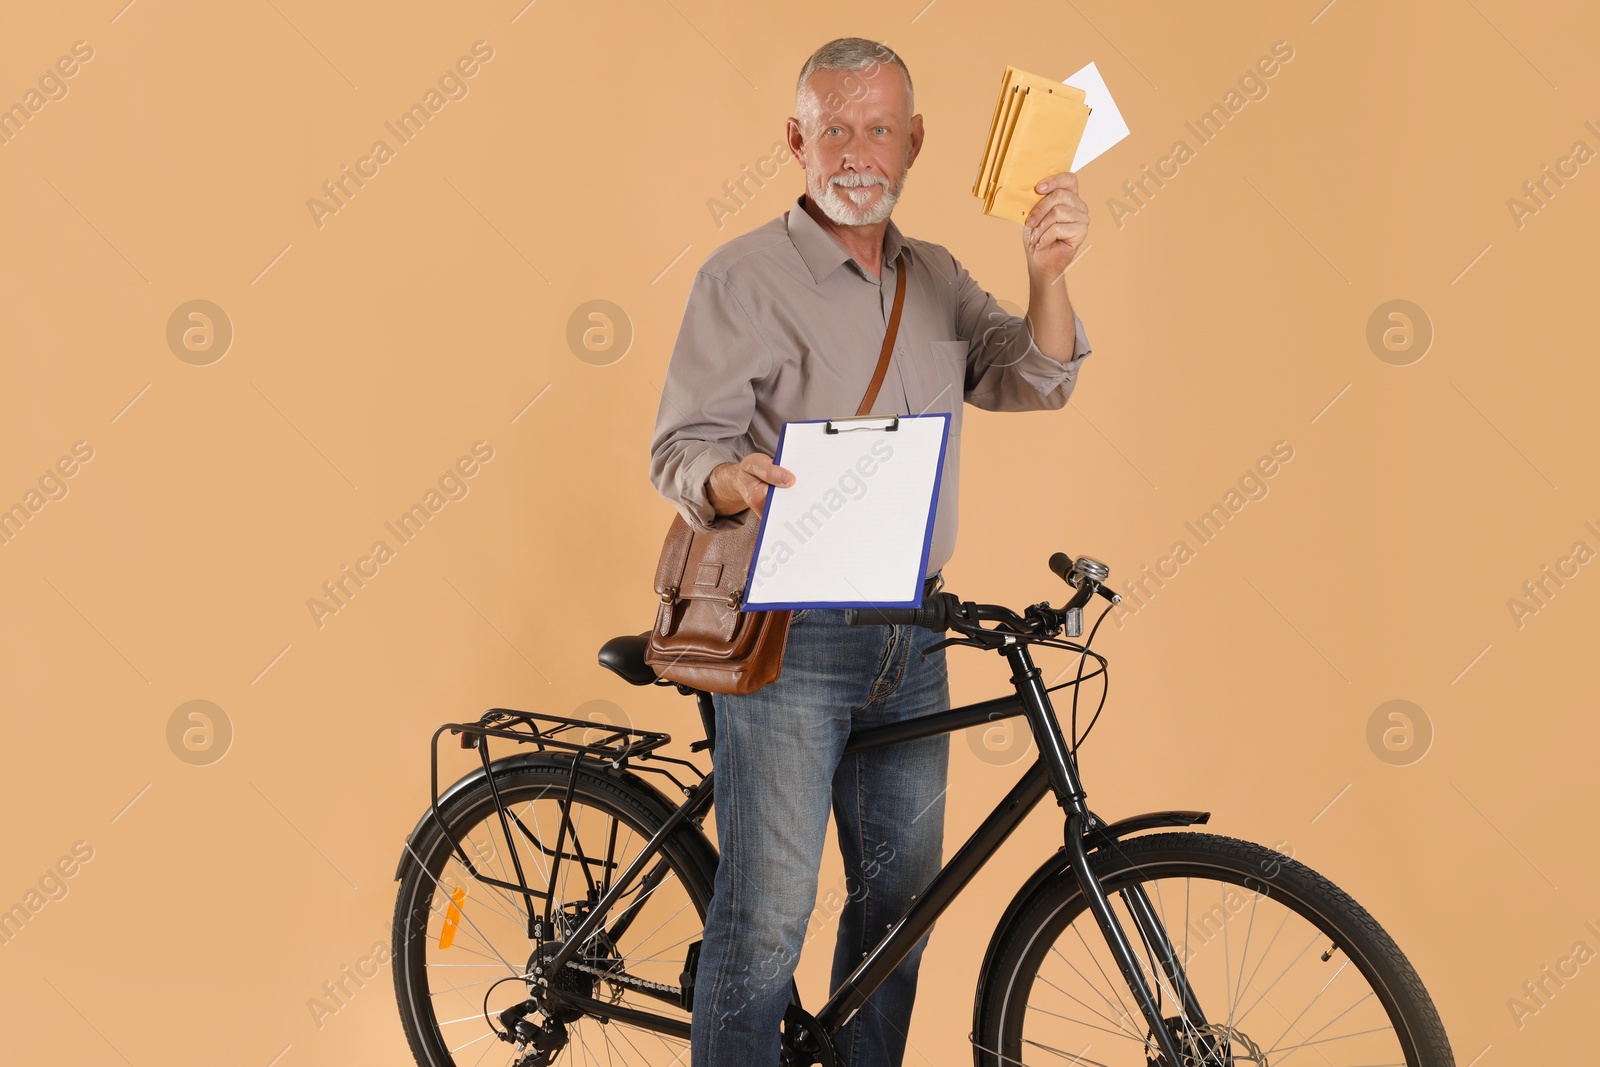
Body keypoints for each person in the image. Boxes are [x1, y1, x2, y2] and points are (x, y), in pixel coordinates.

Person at [647, 36, 1094, 1067]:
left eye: (879, 128)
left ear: (915, 142)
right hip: (789, 637)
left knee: (901, 902)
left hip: (912, 637)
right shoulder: (743, 276)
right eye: (834, 128)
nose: (857, 150)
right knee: (766, 914)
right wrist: (729, 480)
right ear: (795, 140)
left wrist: (1048, 275)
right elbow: (681, 446)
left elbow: (1036, 376)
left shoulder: (933, 273)